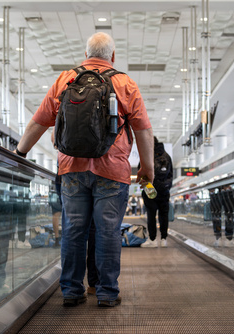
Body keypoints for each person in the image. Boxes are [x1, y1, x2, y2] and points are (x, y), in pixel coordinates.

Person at [14, 32, 154, 307]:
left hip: (72, 169)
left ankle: (71, 291)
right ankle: (106, 293)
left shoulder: (65, 80)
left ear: (86, 53)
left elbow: (38, 123)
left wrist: (19, 154)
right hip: (113, 171)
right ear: (112, 56)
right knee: (108, 232)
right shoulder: (125, 83)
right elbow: (143, 131)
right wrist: (146, 169)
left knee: (73, 230)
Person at [140, 137, 173, 248]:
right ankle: (164, 239)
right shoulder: (167, 156)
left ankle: (152, 239)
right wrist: (166, 188)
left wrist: (149, 190)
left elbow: (142, 175)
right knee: (163, 215)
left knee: (151, 215)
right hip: (164, 191)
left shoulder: (147, 155)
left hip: (151, 191)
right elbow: (171, 175)